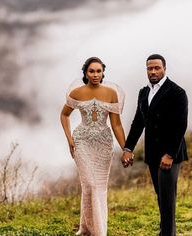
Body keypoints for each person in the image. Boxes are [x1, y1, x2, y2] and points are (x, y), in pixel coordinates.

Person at [122, 54, 188, 236]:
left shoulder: (177, 92)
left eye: (156, 68)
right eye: (149, 68)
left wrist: (170, 154)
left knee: (167, 198)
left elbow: (181, 124)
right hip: (152, 153)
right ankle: (166, 232)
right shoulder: (144, 92)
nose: (153, 71)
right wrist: (128, 148)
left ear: (164, 68)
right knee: (161, 196)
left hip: (169, 154)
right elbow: (138, 122)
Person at [60, 57, 127, 236]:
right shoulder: (77, 93)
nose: (95, 74)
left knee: (98, 186)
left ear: (103, 72)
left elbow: (117, 125)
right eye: (92, 71)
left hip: (104, 143)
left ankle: (92, 229)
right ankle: (92, 229)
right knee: (89, 183)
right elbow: (64, 115)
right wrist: (69, 139)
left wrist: (126, 149)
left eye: (98, 71)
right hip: (82, 141)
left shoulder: (112, 93)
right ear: (85, 73)